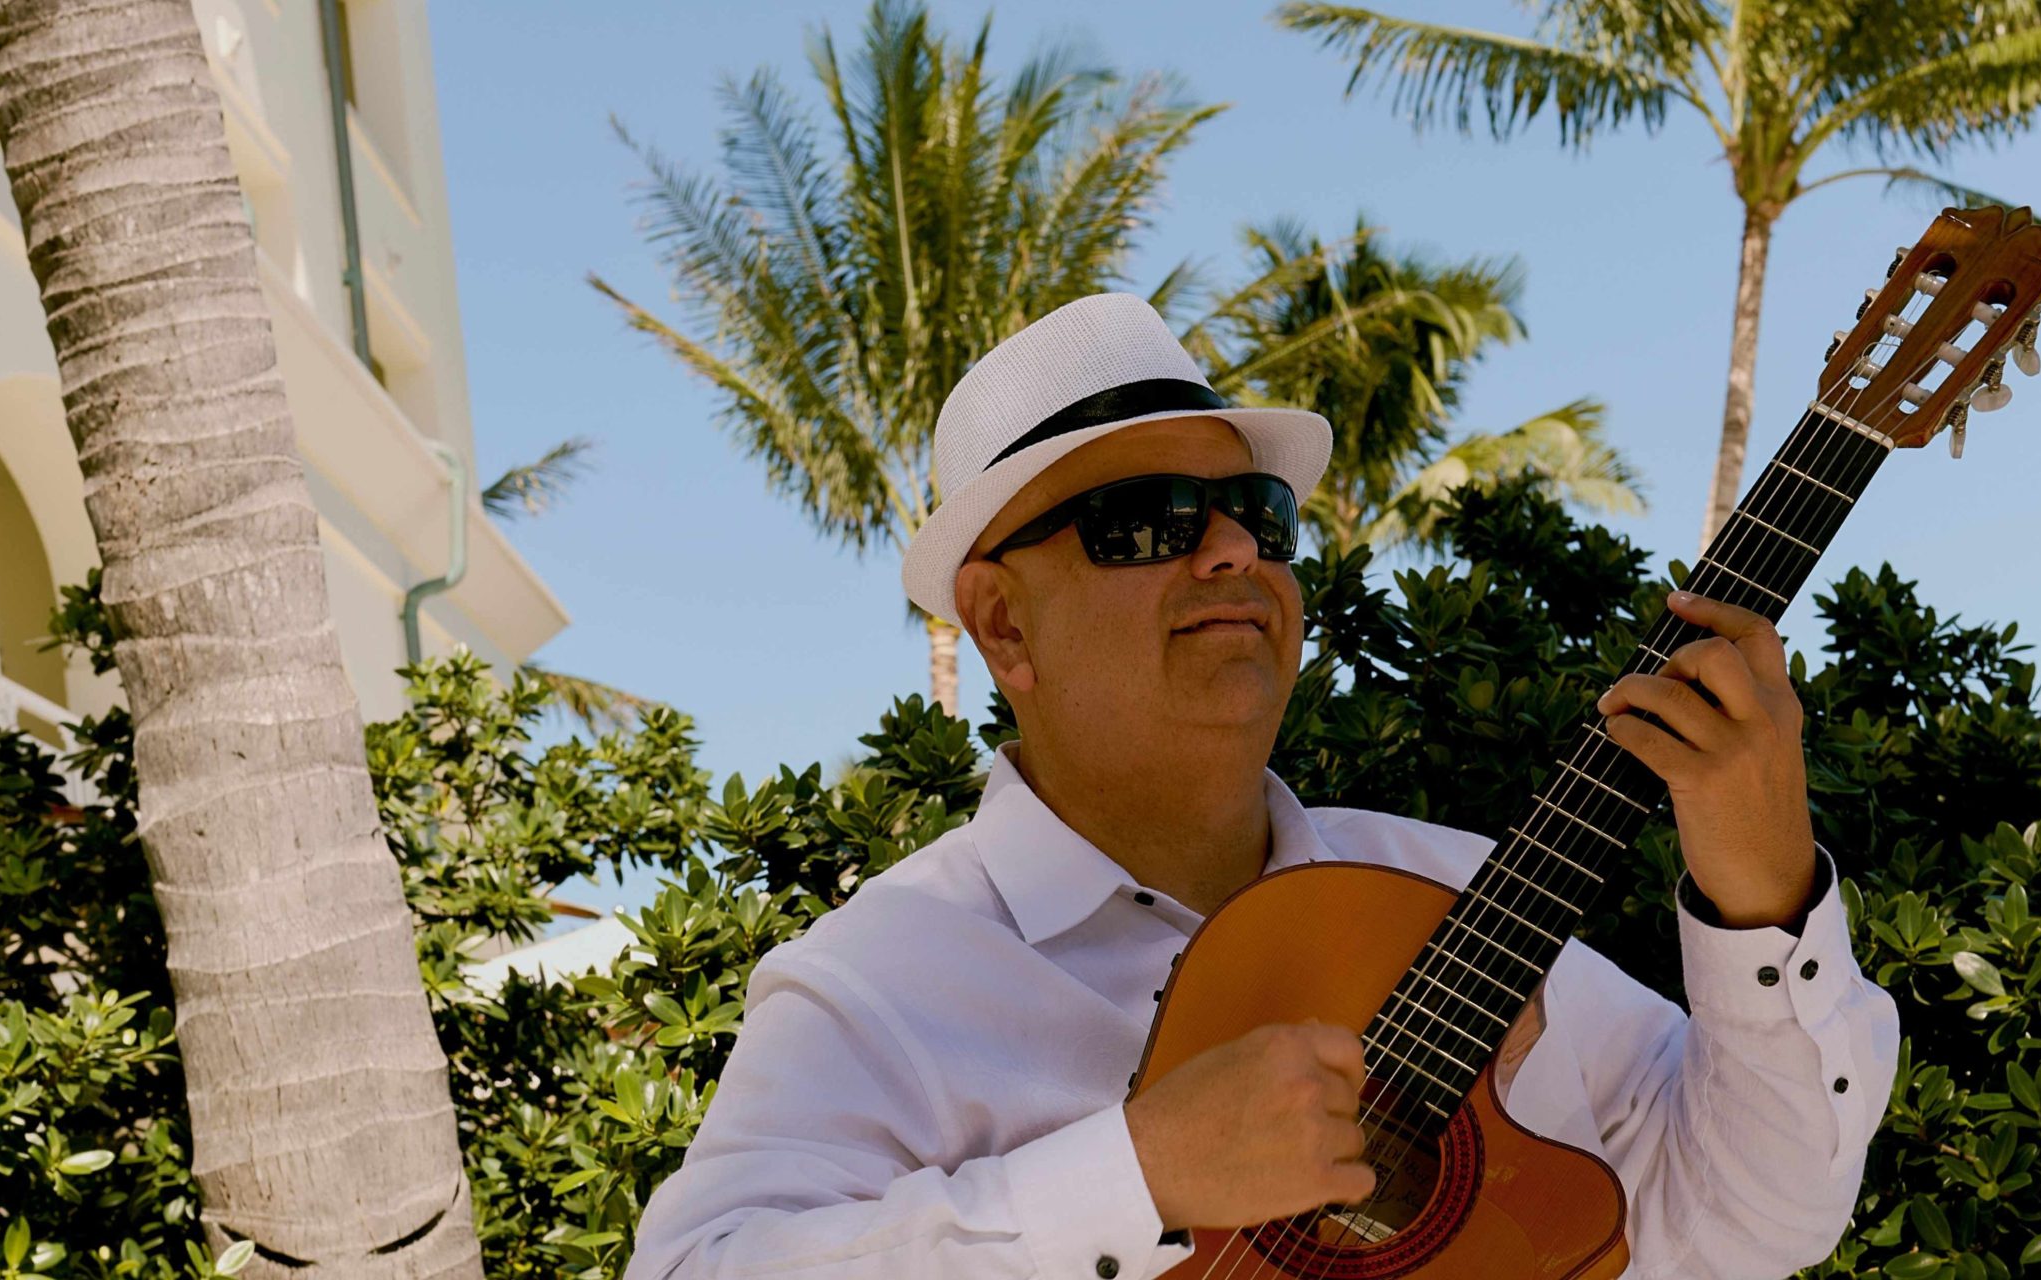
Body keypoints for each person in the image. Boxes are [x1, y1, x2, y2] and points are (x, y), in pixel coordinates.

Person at [624, 293, 1899, 1279]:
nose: (1230, 547)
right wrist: (1138, 1172)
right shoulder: (882, 979)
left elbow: (1756, 1217)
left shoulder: (1449, 891)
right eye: (1147, 517)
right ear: (1002, 625)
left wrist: (1759, 893)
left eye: (1255, 511)